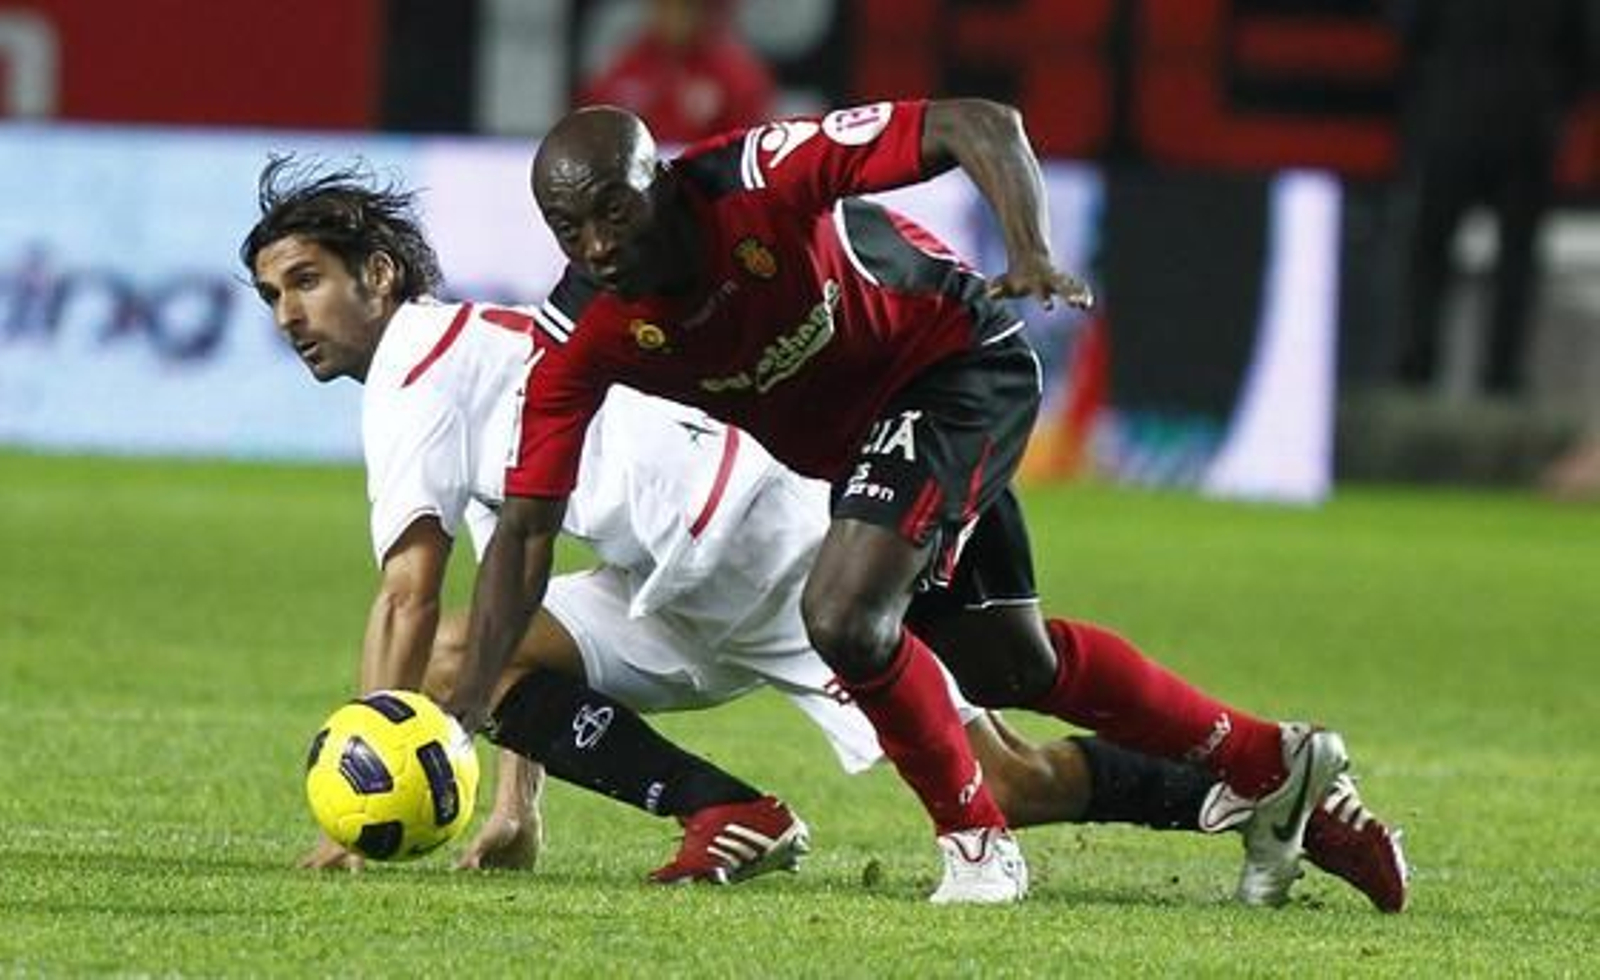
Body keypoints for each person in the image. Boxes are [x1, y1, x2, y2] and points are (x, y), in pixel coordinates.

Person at [241, 158, 1408, 912]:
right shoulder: (476, 349)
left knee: (1013, 773)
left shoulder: (411, 373)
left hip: (763, 544)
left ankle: (1250, 785)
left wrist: (358, 791)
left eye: (307, 281)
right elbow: (513, 569)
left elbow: (407, 590)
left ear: (380, 274)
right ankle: (729, 811)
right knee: (471, 655)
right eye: (273, 296)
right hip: (668, 578)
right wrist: (513, 802)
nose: (292, 314)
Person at [1388, 0, 1590, 395]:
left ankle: (1418, 364)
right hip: (1524, 125)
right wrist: (1554, 101)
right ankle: (1499, 373)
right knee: (1510, 259)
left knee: (1434, 253)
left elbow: (1409, 29)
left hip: (1457, 121)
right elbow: (1582, 55)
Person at [577, 0, 775, 145]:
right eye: (664, 6)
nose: (672, 16)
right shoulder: (628, 62)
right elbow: (592, 126)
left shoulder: (736, 73)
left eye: (683, 7)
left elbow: (751, 147)